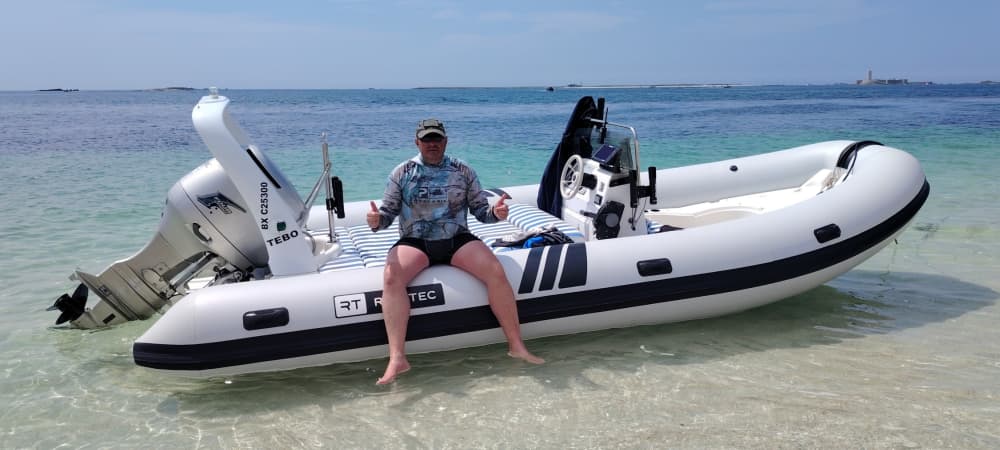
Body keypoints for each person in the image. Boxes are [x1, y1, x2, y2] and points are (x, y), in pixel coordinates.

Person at [367, 118, 544, 385]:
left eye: (437, 139)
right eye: (427, 140)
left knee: (495, 270)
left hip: (456, 238)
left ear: (445, 141)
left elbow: (480, 211)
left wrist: (496, 213)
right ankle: (397, 359)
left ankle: (516, 346)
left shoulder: (463, 170)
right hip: (416, 240)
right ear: (417, 143)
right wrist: (376, 220)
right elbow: (388, 213)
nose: (432, 144)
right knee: (392, 278)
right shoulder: (402, 173)